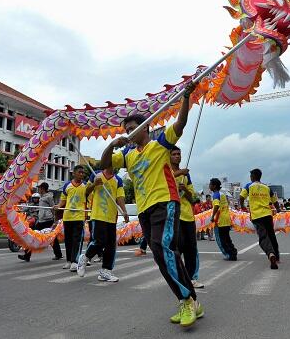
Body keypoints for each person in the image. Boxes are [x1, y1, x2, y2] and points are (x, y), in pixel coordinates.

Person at [100, 80, 203, 328]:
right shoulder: (128, 155)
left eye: (134, 128)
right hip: (145, 209)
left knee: (162, 248)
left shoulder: (160, 144)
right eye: (127, 130)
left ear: (145, 127)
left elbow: (180, 124)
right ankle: (192, 301)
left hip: (165, 202)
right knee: (160, 254)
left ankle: (186, 300)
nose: (130, 132)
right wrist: (111, 145)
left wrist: (186, 98)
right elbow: (105, 165)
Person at [77, 168, 129, 282]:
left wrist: (124, 211)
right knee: (100, 241)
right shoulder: (96, 174)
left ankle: (106, 272)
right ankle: (85, 258)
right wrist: (95, 184)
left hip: (111, 217)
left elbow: (120, 197)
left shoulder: (118, 180)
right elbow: (86, 191)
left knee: (111, 245)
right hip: (98, 215)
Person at [170, 146, 203, 288]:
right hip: (173, 215)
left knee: (191, 247)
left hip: (187, 216)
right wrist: (178, 174)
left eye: (179, 154)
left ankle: (191, 278)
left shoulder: (186, 175)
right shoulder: (167, 171)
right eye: (174, 154)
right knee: (177, 247)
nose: (177, 156)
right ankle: (177, 276)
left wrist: (185, 190)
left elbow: (192, 199)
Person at [240, 169, 280, 269]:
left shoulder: (248, 186)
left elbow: (241, 197)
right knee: (271, 235)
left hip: (257, 216)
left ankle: (270, 254)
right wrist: (278, 208)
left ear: (253, 176)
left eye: (250, 176)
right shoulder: (266, 187)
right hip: (267, 214)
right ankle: (277, 257)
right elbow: (275, 200)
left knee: (263, 237)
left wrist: (243, 207)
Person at [18, 183, 62, 262]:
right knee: (31, 236)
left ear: (43, 189)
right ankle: (27, 255)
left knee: (52, 238)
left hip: (48, 220)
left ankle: (58, 254)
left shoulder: (49, 197)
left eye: (40, 188)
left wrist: (55, 220)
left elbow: (53, 208)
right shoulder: (41, 197)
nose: (39, 189)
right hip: (41, 220)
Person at [55, 165, 87, 272]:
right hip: (67, 216)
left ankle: (75, 261)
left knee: (77, 240)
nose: (81, 174)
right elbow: (63, 200)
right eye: (79, 172)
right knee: (68, 240)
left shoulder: (86, 186)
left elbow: (89, 200)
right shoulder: (67, 186)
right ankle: (69, 261)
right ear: (74, 173)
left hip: (79, 216)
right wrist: (58, 206)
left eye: (83, 173)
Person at [209, 178, 237, 261]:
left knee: (222, 240)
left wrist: (212, 216)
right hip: (226, 218)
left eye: (210, 184)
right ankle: (233, 252)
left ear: (214, 186)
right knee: (227, 238)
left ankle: (230, 255)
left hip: (221, 219)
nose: (209, 186)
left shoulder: (216, 194)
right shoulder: (222, 194)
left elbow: (216, 206)